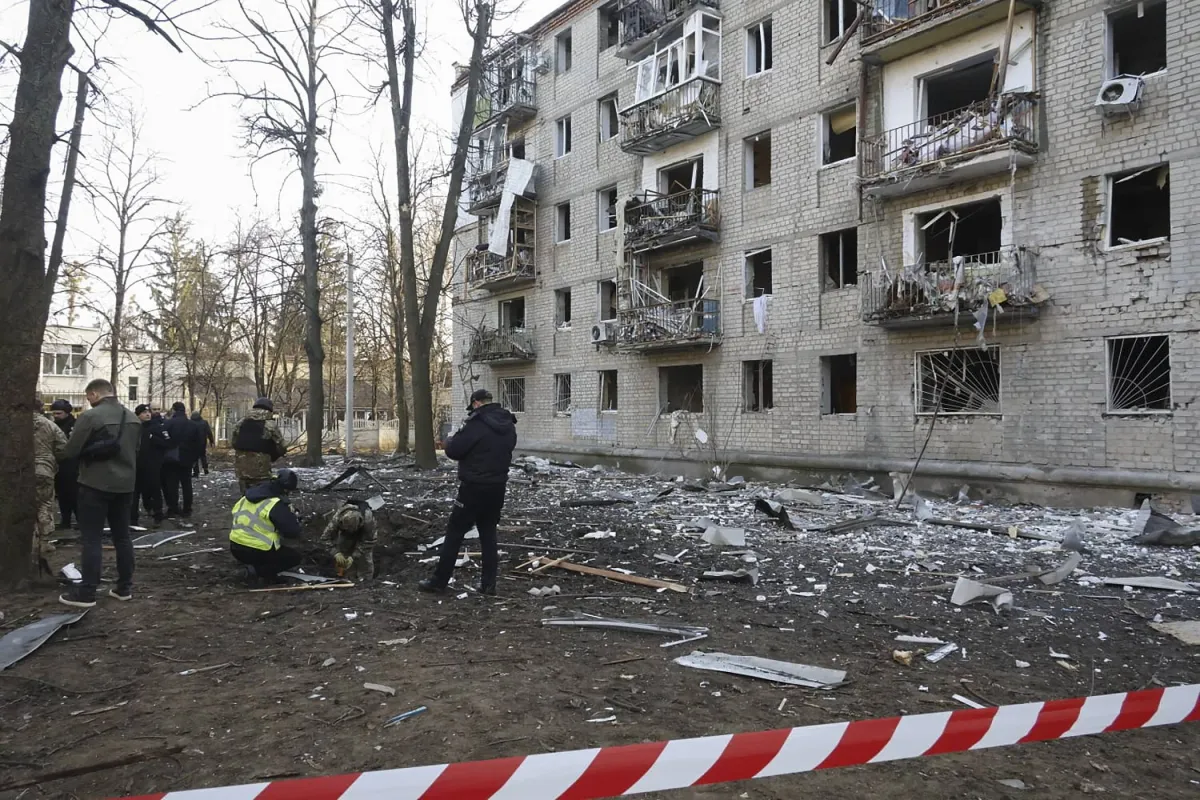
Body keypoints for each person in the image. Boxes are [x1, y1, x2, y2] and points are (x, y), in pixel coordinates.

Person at [419, 388, 517, 596]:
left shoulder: (476, 423)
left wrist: (450, 440)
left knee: (455, 533)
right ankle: (489, 585)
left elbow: (454, 450)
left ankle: (439, 581)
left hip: (473, 487)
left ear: (476, 403)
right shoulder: (508, 423)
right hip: (498, 487)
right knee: (488, 534)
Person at [59, 379, 141, 608]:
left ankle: (87, 593)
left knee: (92, 539)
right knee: (122, 537)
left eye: (88, 397)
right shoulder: (132, 418)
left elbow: (70, 451)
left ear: (94, 394)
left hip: (94, 484)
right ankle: (124, 588)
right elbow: (136, 450)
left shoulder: (90, 417)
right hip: (125, 485)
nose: (88, 401)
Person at [229, 468, 303, 582]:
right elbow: (292, 532)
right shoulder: (275, 504)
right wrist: (294, 518)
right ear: (285, 489)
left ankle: (251, 564)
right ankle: (256, 572)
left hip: (235, 546)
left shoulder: (247, 497)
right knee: (294, 557)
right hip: (257, 550)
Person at [33, 397, 68, 570]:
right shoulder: (50, 425)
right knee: (45, 504)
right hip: (44, 470)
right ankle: (44, 541)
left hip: (18, 471)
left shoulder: (12, 424)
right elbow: (63, 448)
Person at [232, 398, 286, 495]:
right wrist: (274, 454)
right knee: (260, 495)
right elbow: (282, 446)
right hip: (261, 468)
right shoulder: (270, 424)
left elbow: (234, 442)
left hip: (241, 467)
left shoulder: (240, 422)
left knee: (245, 495)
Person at [131, 404, 170, 527]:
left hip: (152, 464)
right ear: (138, 415)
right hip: (137, 465)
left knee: (155, 490)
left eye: (148, 412)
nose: (147, 414)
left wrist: (153, 438)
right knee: (135, 493)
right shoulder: (133, 428)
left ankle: (158, 515)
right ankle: (133, 518)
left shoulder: (156, 427)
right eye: (144, 413)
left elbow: (167, 443)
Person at [162, 402, 202, 518]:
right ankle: (187, 509)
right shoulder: (192, 425)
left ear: (174, 410)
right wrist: (195, 459)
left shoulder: (168, 423)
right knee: (186, 484)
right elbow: (198, 444)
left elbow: (163, 440)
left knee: (172, 484)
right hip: (187, 458)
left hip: (171, 459)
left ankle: (173, 508)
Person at [323, 502, 377, 582]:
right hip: (345, 534)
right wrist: (336, 553)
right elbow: (325, 538)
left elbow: (370, 541)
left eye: (351, 529)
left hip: (363, 533)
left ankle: (365, 580)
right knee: (344, 552)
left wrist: (354, 555)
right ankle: (347, 577)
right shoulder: (337, 518)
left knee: (365, 556)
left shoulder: (368, 519)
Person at [49, 399, 78, 528]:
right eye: (54, 413)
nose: (56, 416)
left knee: (74, 495)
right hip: (59, 464)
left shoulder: (75, 425)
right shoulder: (53, 425)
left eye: (59, 413)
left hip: (73, 465)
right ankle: (65, 520)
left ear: (67, 412)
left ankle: (79, 520)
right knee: (62, 495)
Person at [191, 410, 215, 477]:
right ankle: (205, 469)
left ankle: (196, 472)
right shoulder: (204, 422)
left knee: (194, 458)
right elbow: (209, 432)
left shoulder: (190, 422)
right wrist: (211, 441)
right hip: (202, 442)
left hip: (193, 443)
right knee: (203, 456)